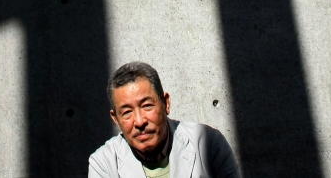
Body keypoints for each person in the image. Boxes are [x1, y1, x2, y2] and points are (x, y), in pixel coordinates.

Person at [89, 62, 241, 178]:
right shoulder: (104, 163)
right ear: (115, 119)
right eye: (127, 112)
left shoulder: (208, 142)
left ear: (166, 103)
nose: (140, 121)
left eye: (147, 106)